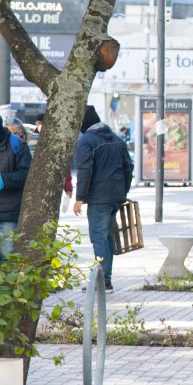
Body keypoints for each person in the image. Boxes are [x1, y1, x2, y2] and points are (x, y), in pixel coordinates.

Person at [73, 105, 133, 293]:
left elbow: (84, 170)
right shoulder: (116, 138)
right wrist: (123, 192)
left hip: (99, 198)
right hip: (115, 197)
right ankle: (106, 278)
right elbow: (128, 169)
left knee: (98, 236)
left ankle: (103, 281)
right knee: (107, 236)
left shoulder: (87, 141)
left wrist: (80, 198)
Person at [0, 112, 32, 272]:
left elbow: (26, 175)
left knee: (7, 257)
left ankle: (6, 294)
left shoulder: (17, 144)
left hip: (9, 211)